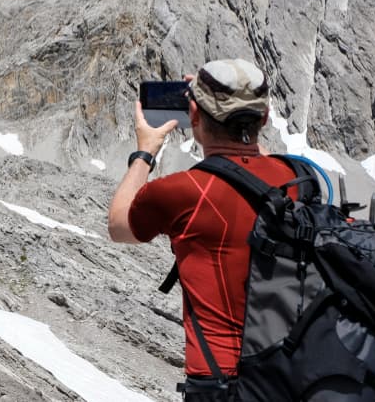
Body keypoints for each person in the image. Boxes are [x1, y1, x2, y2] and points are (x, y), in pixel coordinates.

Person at [107, 58, 298, 400]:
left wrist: (145, 152)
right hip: (293, 375)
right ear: (265, 118)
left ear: (193, 114)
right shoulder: (300, 180)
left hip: (222, 383)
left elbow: (119, 225)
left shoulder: (181, 191)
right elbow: (261, 164)